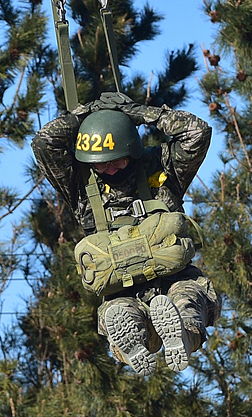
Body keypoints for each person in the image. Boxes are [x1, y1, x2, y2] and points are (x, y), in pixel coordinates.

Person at [31, 92, 220, 375]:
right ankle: (135, 346)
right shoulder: (81, 188)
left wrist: (140, 113)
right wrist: (87, 112)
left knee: (187, 304)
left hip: (175, 278)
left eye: (115, 160)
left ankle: (179, 336)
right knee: (119, 316)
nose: (108, 168)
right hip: (123, 289)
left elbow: (196, 132)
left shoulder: (162, 167)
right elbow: (44, 143)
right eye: (100, 163)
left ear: (131, 150)